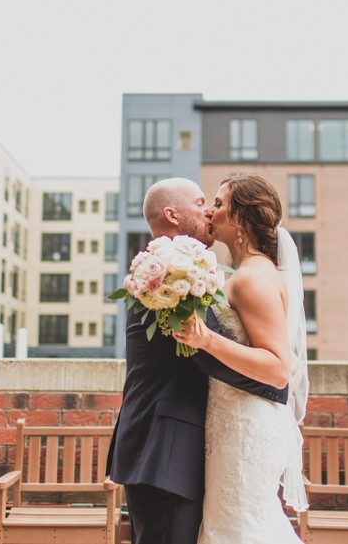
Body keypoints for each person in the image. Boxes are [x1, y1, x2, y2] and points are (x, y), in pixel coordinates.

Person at [107, 177, 289, 544]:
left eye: (215, 204)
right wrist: (274, 387)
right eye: (201, 202)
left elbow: (208, 347)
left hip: (187, 446)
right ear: (173, 215)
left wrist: (274, 382)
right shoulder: (166, 272)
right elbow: (198, 351)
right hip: (164, 448)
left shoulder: (200, 272)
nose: (208, 211)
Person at [174, 174, 309, 544]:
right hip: (230, 421)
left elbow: (279, 368)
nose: (211, 212)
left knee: (242, 528)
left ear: (242, 219)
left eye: (219, 204)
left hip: (246, 427)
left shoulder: (253, 279)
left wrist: (207, 341)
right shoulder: (242, 274)